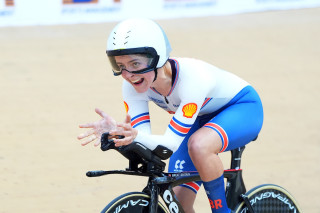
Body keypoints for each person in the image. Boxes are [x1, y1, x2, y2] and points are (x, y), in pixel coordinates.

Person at [77, 18, 263, 213]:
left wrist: (136, 136)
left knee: (199, 145)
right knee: (179, 204)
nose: (127, 74)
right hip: (199, 118)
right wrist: (118, 133)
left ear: (157, 57)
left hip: (242, 108)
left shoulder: (193, 80)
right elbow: (143, 139)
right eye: (119, 65)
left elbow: (170, 144)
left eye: (135, 63)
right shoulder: (132, 86)